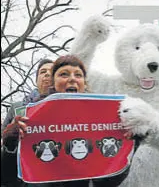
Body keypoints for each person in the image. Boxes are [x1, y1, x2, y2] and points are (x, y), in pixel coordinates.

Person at [2, 55, 128, 187]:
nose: (72, 79)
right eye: (64, 74)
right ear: (52, 82)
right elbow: (7, 179)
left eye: (78, 75)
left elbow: (105, 183)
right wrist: (9, 146)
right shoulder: (30, 118)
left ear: (84, 83)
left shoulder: (98, 122)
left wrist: (131, 143)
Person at [1, 58, 54, 187]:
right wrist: (10, 144)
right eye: (43, 71)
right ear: (36, 80)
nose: (47, 74)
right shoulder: (17, 108)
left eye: (52, 72)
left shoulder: (69, 107)